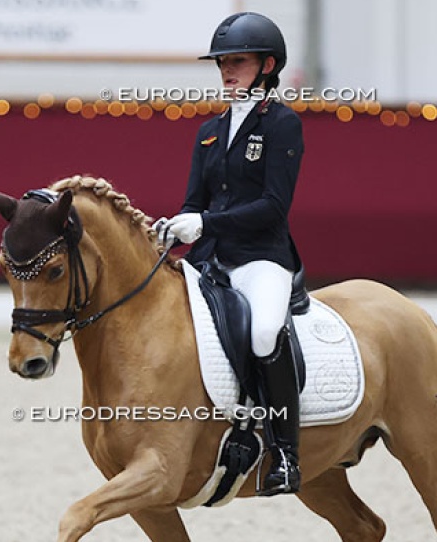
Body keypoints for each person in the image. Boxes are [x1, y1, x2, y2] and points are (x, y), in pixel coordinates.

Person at [155, 12, 305, 496]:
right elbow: (194, 204)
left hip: (262, 257)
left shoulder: (283, 125)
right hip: (211, 259)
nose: (226, 71)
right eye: (222, 62)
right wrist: (174, 228)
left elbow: (272, 207)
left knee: (264, 332)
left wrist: (205, 224)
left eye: (237, 61)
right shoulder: (208, 131)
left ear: (267, 65)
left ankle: (285, 453)